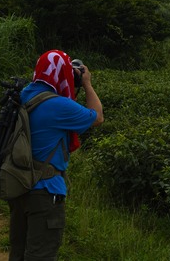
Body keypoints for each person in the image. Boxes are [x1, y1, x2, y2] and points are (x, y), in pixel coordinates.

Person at [7, 49, 104, 261]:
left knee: (18, 252)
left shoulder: (22, 94)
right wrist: (86, 83)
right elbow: (97, 117)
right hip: (45, 191)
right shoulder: (59, 105)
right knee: (40, 254)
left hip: (18, 186)